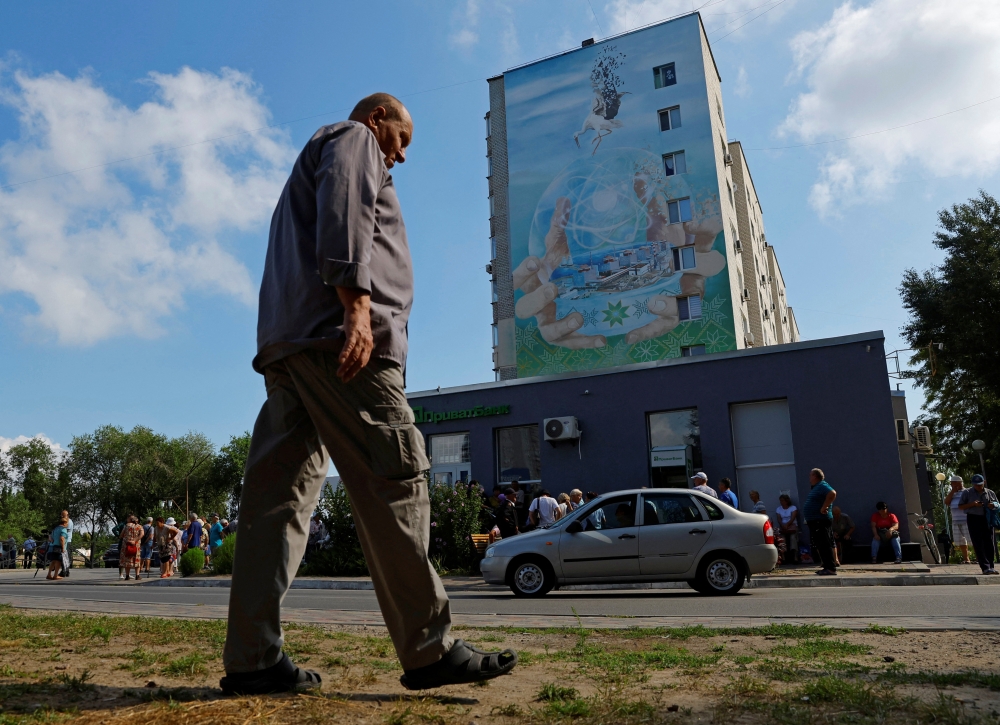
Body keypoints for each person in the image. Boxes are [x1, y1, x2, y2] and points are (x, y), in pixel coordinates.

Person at [220, 93, 516, 697]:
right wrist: (357, 306)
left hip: (291, 347)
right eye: (400, 138)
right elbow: (348, 206)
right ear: (377, 118)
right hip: (343, 347)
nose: (400, 155)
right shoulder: (353, 140)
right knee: (395, 481)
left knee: (277, 503)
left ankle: (252, 657)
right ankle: (430, 647)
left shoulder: (306, 166)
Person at [959, 474, 998, 575]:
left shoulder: (990, 492)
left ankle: (991, 566)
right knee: (978, 543)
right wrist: (973, 504)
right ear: (972, 484)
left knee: (989, 542)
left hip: (987, 518)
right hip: (973, 518)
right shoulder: (967, 492)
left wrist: (992, 505)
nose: (978, 487)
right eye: (976, 485)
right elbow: (961, 506)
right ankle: (985, 567)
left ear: (984, 482)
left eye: (980, 484)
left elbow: (997, 504)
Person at [803, 468, 838, 576]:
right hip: (815, 520)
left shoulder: (822, 485)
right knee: (820, 544)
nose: (809, 478)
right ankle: (826, 566)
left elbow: (832, 493)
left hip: (820, 520)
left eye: (810, 475)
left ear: (815, 476)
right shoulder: (816, 487)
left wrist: (824, 507)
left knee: (824, 543)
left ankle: (831, 568)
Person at [945, 475, 972, 564]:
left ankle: (980, 558)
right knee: (961, 541)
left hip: (966, 519)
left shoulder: (967, 491)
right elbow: (946, 502)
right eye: (951, 484)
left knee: (972, 539)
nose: (952, 485)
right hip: (956, 520)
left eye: (953, 483)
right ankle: (966, 559)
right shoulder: (952, 493)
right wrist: (953, 491)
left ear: (959, 483)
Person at [775, 494, 799, 564]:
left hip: (792, 526)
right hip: (783, 527)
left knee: (793, 538)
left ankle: (794, 556)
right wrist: (782, 525)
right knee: (782, 539)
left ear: (787, 501)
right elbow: (779, 519)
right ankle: (784, 556)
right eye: (780, 501)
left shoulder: (793, 508)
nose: (781, 502)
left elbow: (793, 517)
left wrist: (787, 524)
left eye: (782, 501)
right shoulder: (778, 509)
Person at [119, 515, 144, 581]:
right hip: (136, 545)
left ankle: (127, 576)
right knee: (137, 560)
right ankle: (137, 575)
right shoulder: (139, 526)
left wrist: (127, 538)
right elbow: (142, 534)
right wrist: (135, 540)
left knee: (127, 560)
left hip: (127, 545)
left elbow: (121, 535)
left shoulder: (126, 526)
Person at [47, 516, 69, 580]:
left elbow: (50, 537)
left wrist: (52, 541)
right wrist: (63, 548)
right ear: (64, 523)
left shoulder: (55, 528)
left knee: (53, 561)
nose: (67, 524)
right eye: (67, 523)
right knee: (58, 561)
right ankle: (55, 575)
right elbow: (62, 538)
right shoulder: (63, 529)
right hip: (58, 547)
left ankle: (49, 574)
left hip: (52, 546)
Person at [60, 510, 74, 577]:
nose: (62, 516)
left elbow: (64, 529)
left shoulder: (69, 521)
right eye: (62, 515)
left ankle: (64, 571)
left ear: (67, 515)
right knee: (65, 556)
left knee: (65, 556)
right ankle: (66, 571)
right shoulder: (66, 521)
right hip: (65, 541)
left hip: (66, 541)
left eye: (63, 515)